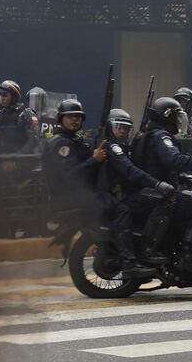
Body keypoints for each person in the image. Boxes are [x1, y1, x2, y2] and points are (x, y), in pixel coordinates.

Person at [42, 100, 155, 278]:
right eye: (70, 116)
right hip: (71, 196)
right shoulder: (61, 144)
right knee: (122, 209)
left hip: (80, 193)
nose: (75, 120)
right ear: (61, 118)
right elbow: (69, 176)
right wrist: (94, 160)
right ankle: (129, 261)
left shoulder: (73, 140)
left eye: (78, 117)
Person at [130, 97, 192, 272]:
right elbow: (174, 160)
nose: (179, 120)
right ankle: (189, 256)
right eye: (176, 116)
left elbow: (158, 165)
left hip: (149, 189)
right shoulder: (161, 136)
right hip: (157, 193)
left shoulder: (147, 134)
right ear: (167, 116)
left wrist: (184, 178)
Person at [103, 108, 175, 266]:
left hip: (127, 192)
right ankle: (148, 249)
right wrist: (157, 184)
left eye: (126, 128)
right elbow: (131, 171)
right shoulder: (112, 148)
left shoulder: (123, 148)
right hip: (118, 196)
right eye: (119, 127)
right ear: (110, 127)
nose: (123, 131)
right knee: (164, 203)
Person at [0, 80, 39, 154]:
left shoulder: (26, 114)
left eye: (5, 95)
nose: (2, 98)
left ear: (14, 96)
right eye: (1, 95)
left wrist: (16, 157)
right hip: (2, 160)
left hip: (23, 161)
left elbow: (33, 140)